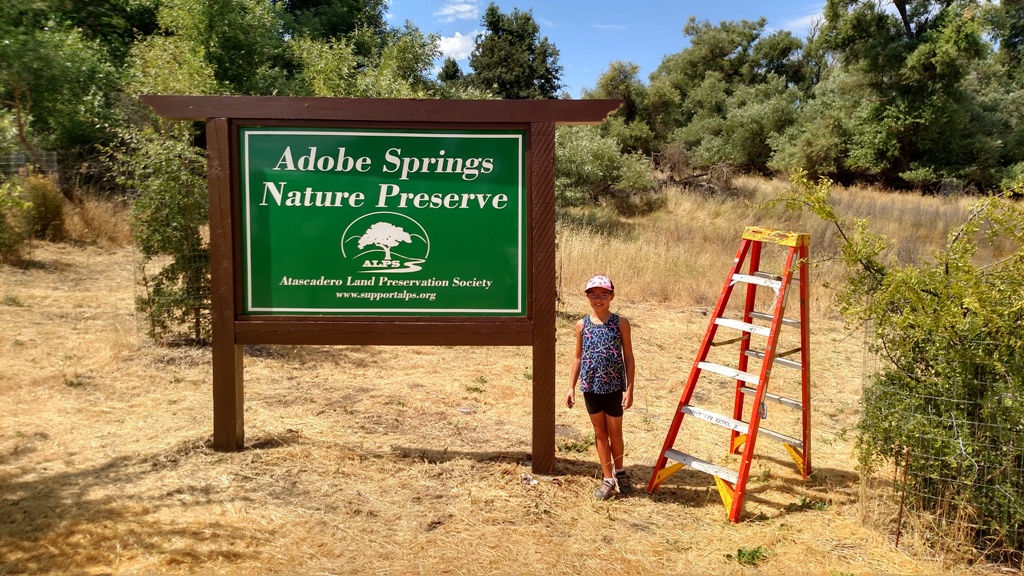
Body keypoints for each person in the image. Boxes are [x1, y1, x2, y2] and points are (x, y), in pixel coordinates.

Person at [565, 275, 636, 500]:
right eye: (593, 294)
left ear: (611, 296)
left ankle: (620, 471)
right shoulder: (581, 325)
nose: (598, 299)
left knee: (615, 432)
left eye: (603, 294)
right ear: (587, 297)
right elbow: (578, 357)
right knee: (599, 432)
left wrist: (630, 388)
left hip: (614, 387)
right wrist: (571, 387)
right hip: (591, 386)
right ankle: (607, 478)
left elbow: (629, 357)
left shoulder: (620, 323)